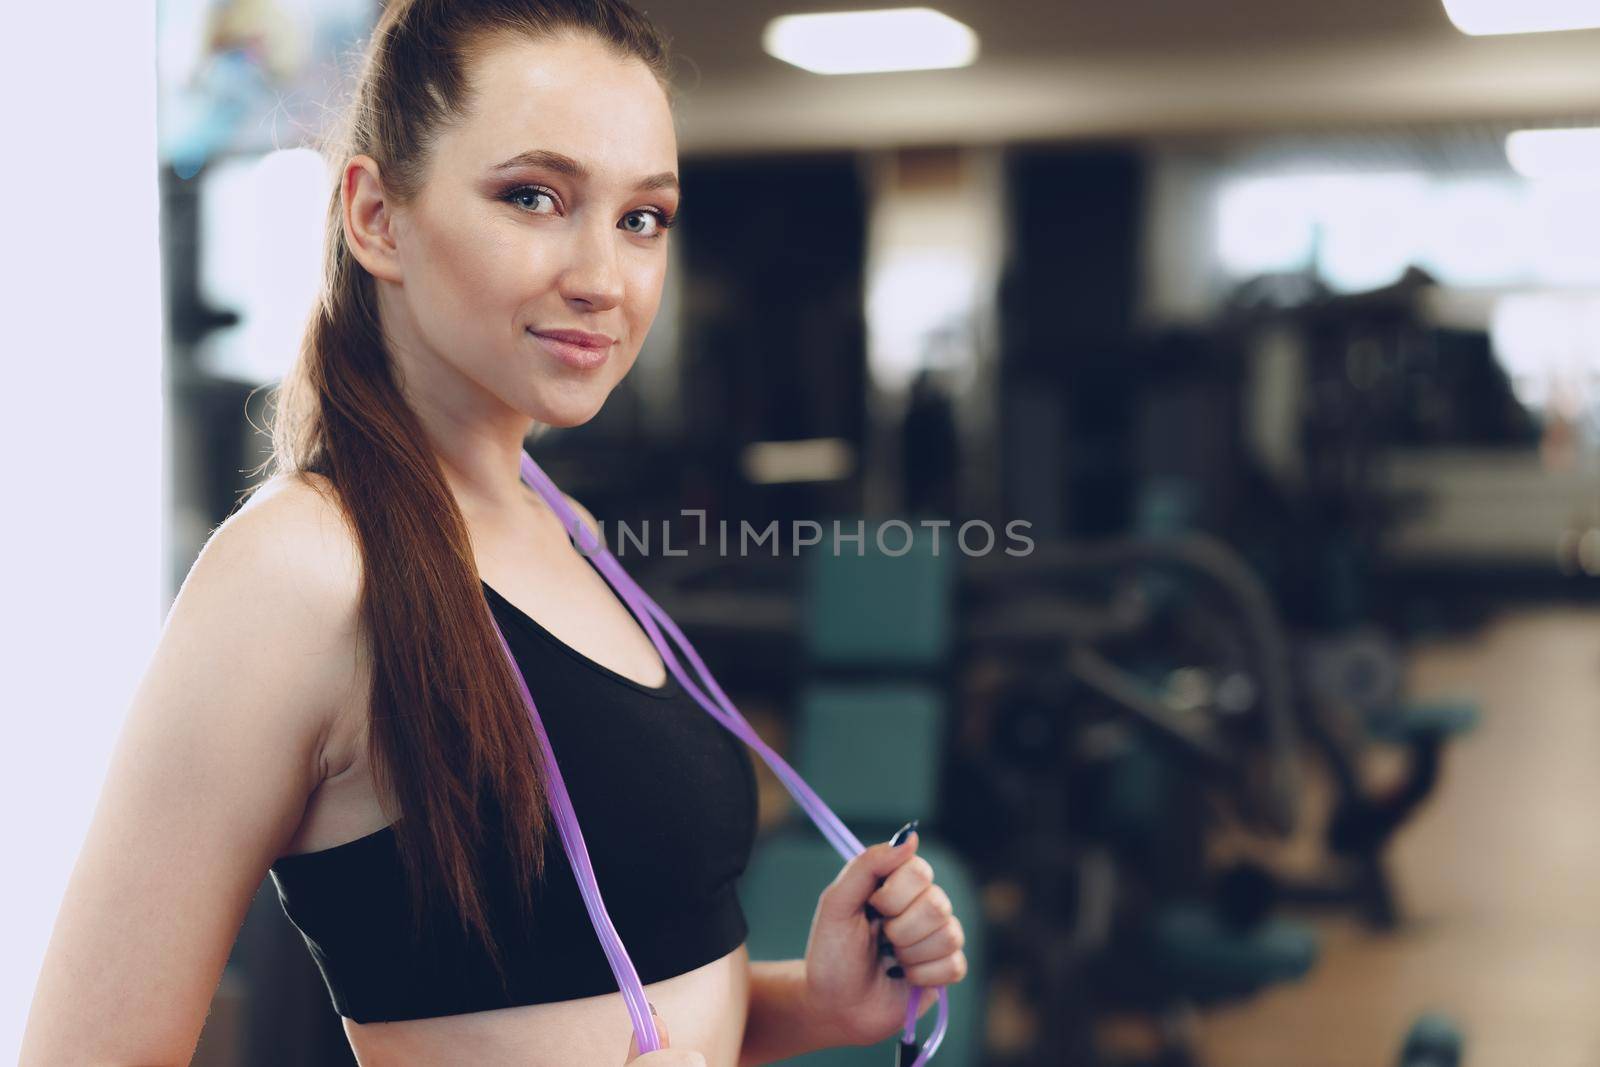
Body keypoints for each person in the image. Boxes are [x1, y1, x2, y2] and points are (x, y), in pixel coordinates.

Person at [19, 2, 968, 1065]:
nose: (603, 277)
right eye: (533, 197)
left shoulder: (567, 527)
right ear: (376, 216)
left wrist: (822, 1003)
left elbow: (596, 992)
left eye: (641, 218)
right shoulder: (301, 571)